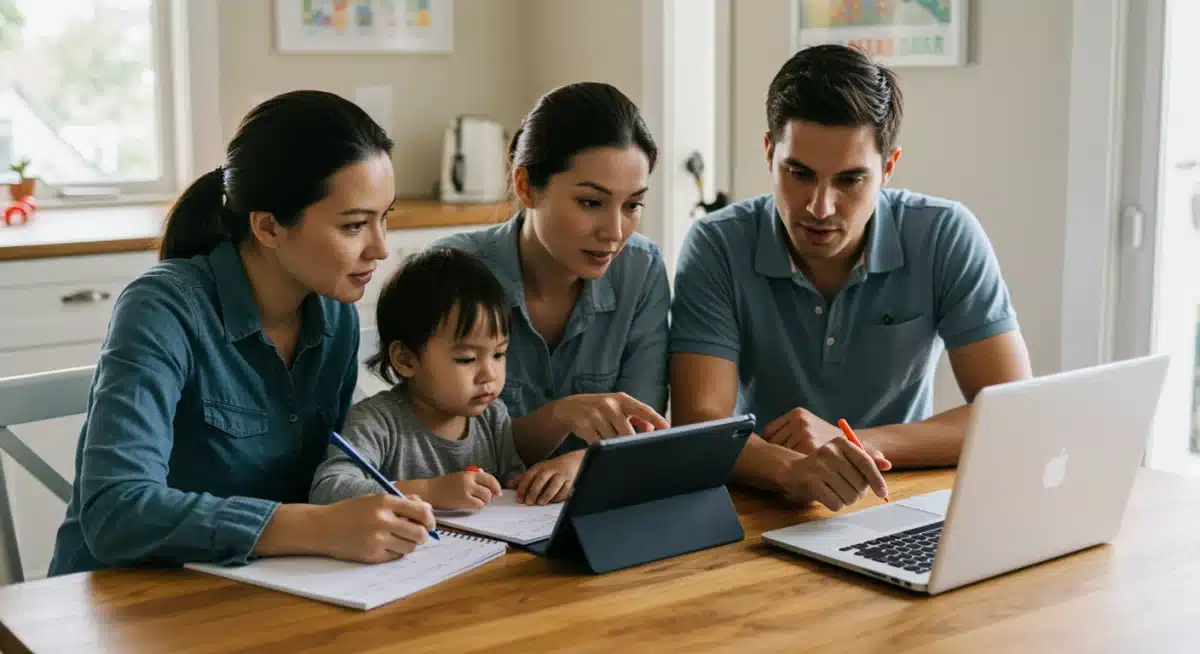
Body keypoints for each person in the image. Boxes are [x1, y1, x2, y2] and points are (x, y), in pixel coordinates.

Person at [47, 90, 437, 576]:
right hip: (121, 605)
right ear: (269, 227)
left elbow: (321, 478)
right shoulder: (162, 308)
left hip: (255, 589)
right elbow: (116, 512)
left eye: (386, 218)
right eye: (355, 225)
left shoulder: (336, 318)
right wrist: (318, 527)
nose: (380, 248)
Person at [669, 45, 1034, 512]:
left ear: (888, 168)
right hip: (764, 504)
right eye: (798, 173)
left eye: (849, 180)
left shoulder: (944, 234)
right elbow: (700, 426)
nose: (820, 207)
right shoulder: (717, 245)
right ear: (768, 153)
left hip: (898, 500)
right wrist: (790, 470)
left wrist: (849, 443)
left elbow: (1010, 413)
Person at [431, 82, 671, 506]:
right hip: (470, 522)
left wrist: (580, 462)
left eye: (632, 205)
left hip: (597, 511)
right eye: (590, 203)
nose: (614, 232)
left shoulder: (642, 270)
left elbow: (643, 430)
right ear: (526, 186)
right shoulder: (452, 271)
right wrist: (558, 417)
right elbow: (434, 446)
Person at [310, 247, 544, 509]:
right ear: (406, 360)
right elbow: (328, 489)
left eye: (499, 354)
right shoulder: (377, 422)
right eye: (466, 359)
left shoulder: (492, 418)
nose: (489, 374)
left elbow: (510, 491)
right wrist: (429, 490)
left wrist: (537, 483)